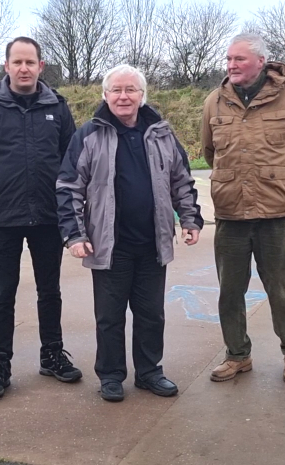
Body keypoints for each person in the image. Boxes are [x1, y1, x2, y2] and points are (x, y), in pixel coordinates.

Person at [57, 64, 203, 402]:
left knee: (151, 314)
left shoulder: (162, 134)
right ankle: (110, 375)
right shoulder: (89, 135)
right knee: (109, 318)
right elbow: (68, 186)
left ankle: (150, 373)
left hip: (152, 243)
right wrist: (75, 235)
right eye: (117, 90)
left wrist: (190, 219)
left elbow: (182, 180)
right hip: (110, 246)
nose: (123, 96)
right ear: (105, 95)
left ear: (142, 95)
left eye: (131, 90)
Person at [0, 36, 82, 399]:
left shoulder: (57, 107)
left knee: (50, 290)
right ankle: (0, 363)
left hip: (47, 216)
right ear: (6, 66)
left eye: (31, 62)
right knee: (2, 294)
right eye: (18, 62)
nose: (24, 68)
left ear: (41, 67)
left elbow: (73, 161)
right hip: (3, 217)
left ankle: (52, 355)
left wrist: (72, 207)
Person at [200, 33, 285, 384]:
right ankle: (237, 355)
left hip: (276, 214)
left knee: (281, 287)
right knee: (230, 290)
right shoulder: (214, 101)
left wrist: (279, 181)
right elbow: (209, 151)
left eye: (240, 59)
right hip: (231, 212)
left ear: (261, 62)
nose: (232, 65)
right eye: (229, 59)